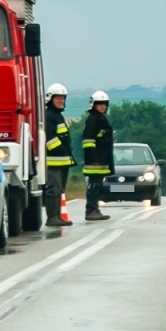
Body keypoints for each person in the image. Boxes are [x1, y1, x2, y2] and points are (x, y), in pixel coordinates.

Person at [43, 83, 74, 226]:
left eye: (63, 98)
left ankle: (57, 216)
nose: (61, 101)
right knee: (53, 189)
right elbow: (50, 139)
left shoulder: (58, 116)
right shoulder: (49, 116)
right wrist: (62, 149)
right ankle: (52, 218)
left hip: (62, 160)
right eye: (58, 98)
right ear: (50, 99)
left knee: (59, 189)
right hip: (53, 161)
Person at [80, 89, 114, 222]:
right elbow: (88, 141)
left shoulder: (101, 118)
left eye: (104, 104)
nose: (102, 106)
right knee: (94, 186)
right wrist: (93, 159)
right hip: (95, 161)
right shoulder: (93, 119)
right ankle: (91, 210)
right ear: (93, 105)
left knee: (97, 186)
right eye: (99, 104)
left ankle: (95, 209)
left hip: (101, 160)